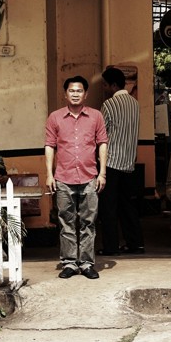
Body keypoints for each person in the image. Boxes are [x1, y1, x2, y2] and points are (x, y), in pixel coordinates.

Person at [45, 76, 108, 280]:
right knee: (66, 222)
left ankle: (87, 263)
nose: (75, 94)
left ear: (85, 94)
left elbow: (102, 144)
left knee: (89, 222)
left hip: (90, 176)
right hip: (63, 177)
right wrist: (49, 174)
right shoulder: (55, 118)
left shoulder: (96, 116)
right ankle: (70, 263)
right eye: (71, 90)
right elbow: (50, 145)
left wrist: (102, 173)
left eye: (79, 90)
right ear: (65, 94)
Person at [97, 66, 145, 256]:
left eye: (105, 85)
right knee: (128, 206)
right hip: (129, 163)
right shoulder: (135, 104)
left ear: (114, 85)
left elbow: (101, 135)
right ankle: (136, 243)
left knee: (108, 207)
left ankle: (111, 247)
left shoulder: (108, 105)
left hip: (110, 163)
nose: (104, 88)